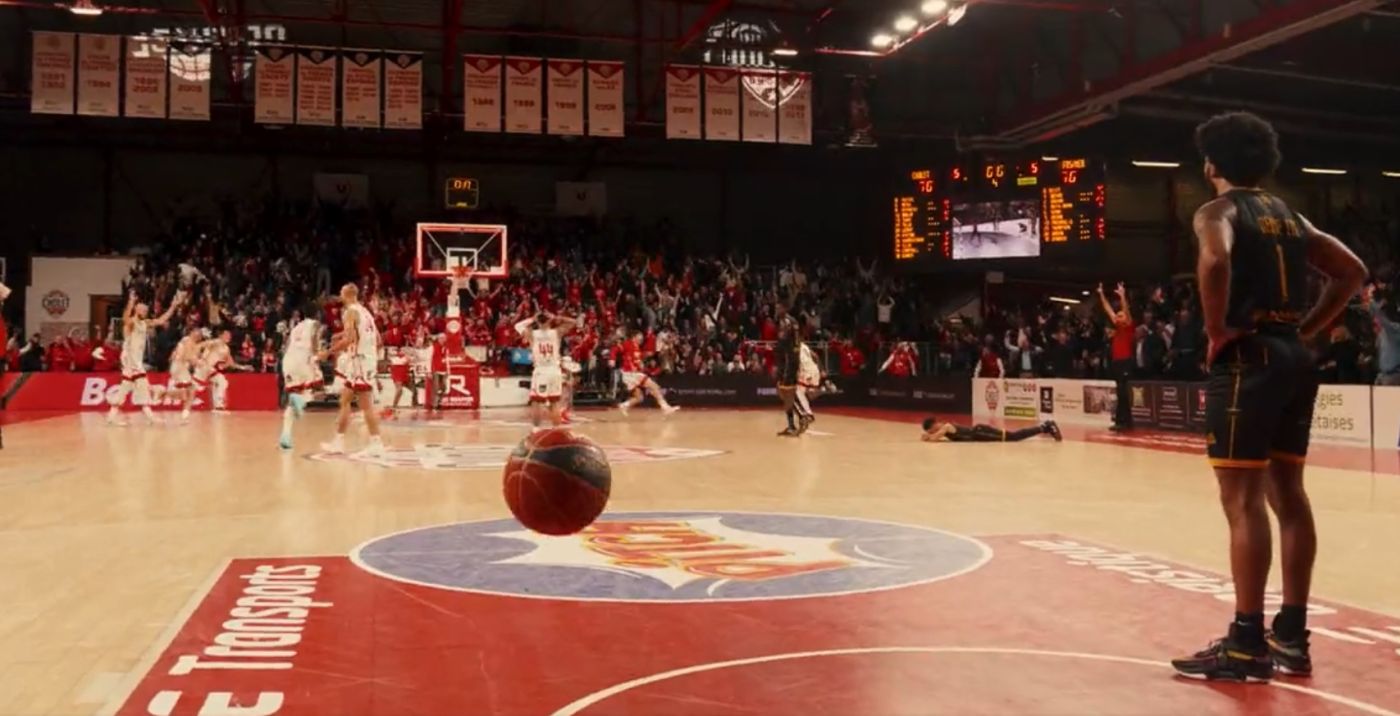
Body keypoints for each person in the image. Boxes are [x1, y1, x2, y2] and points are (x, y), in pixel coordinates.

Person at [1170, 112, 1367, 683]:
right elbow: (1351, 271)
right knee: (1290, 495)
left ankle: (1246, 642)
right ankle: (1292, 637)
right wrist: (1306, 330)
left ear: (1211, 163)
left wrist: (1215, 330)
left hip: (1248, 358)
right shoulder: (1290, 216)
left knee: (1242, 501)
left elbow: (1215, 258)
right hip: (1294, 357)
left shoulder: (1218, 212)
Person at [322, 284, 385, 455]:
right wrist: (342, 336)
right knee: (345, 400)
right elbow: (378, 340)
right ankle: (338, 441)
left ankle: (376, 443)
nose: (340, 296)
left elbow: (350, 338)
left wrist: (328, 352)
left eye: (341, 293)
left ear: (346, 295)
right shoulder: (366, 312)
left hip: (360, 361)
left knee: (365, 405)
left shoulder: (350, 312)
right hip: (365, 360)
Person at [107, 290, 184, 426]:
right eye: (142, 309)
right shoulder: (131, 322)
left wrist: (173, 306)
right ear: (137, 310)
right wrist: (131, 302)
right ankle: (149, 417)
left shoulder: (144, 323)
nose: (145, 311)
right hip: (130, 361)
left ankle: (112, 417)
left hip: (136, 362)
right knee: (138, 386)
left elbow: (161, 320)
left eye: (146, 310)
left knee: (131, 388)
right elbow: (125, 318)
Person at [517, 311, 577, 429]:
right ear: (549, 321)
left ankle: (536, 429)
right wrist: (557, 317)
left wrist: (532, 318)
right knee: (555, 402)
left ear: (538, 321)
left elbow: (518, 325)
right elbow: (573, 322)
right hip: (555, 370)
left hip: (541, 371)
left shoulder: (532, 334)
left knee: (537, 401)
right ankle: (556, 429)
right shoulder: (556, 333)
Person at [279, 305, 323, 449]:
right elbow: (314, 340)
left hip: (288, 360)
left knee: (295, 396)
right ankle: (300, 400)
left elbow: (286, 345)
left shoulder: (296, 327)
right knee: (315, 385)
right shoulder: (315, 324)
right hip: (303, 359)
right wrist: (317, 355)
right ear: (317, 314)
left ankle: (286, 435)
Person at [1097, 282, 1135, 431]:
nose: (1118, 317)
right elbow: (1108, 309)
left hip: (1125, 362)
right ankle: (1123, 421)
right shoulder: (1118, 329)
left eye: (1120, 315)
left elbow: (1126, 311)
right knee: (1121, 393)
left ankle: (1124, 422)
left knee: (1123, 393)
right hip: (1117, 362)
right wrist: (1101, 294)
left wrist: (1122, 296)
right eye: (1117, 315)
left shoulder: (1128, 327)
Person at [616, 330, 679, 417]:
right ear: (634, 337)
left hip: (631, 375)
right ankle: (665, 408)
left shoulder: (636, 347)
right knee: (654, 386)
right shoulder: (628, 343)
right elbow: (616, 349)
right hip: (631, 373)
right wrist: (612, 359)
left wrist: (643, 358)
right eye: (640, 336)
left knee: (639, 397)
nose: (641, 338)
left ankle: (624, 405)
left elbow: (635, 358)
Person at [775, 318, 807, 436]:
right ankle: (792, 425)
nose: (781, 327)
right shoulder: (795, 339)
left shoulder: (787, 338)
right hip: (790, 368)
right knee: (786, 396)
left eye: (784, 325)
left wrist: (783, 372)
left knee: (786, 395)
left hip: (787, 370)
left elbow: (783, 353)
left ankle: (801, 416)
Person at [1364, 284, 1400, 386]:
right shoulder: (1381, 334)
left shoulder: (1395, 329)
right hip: (1382, 375)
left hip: (1395, 376)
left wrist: (1372, 303)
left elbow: (1383, 321)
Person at [921, 417, 1061, 443]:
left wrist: (928, 436)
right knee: (1013, 437)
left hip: (980, 432)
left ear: (934, 425)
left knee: (1013, 437)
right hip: (980, 434)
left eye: (931, 430)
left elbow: (934, 439)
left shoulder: (946, 427)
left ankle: (1045, 426)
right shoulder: (944, 428)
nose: (932, 432)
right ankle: (1044, 428)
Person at [168, 326, 204, 423]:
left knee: (187, 392)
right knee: (191, 390)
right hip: (180, 368)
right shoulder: (188, 341)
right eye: (197, 332)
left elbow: (175, 355)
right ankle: (185, 414)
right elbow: (186, 357)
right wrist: (197, 362)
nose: (198, 335)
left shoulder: (187, 341)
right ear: (191, 332)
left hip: (179, 368)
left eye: (200, 334)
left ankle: (185, 414)